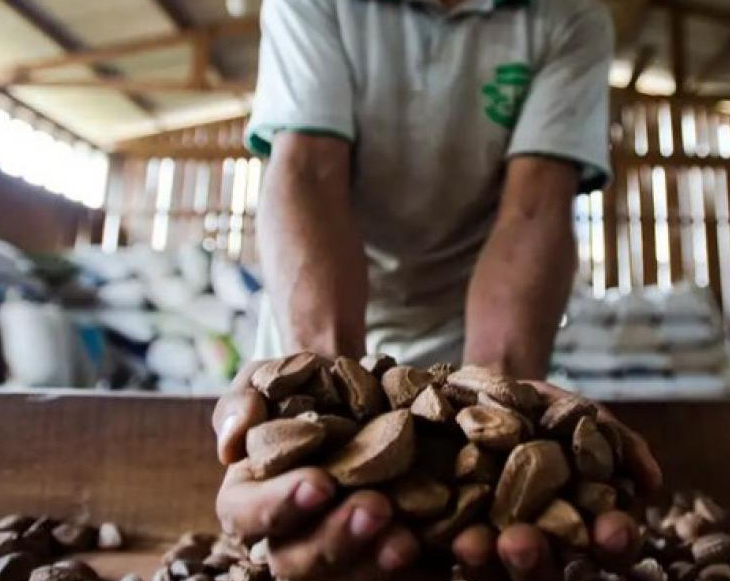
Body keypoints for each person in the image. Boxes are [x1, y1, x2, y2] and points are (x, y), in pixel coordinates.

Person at [213, 0, 662, 578]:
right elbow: (309, 172)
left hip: (467, 327)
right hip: (321, 317)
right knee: (310, 531)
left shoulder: (569, 17)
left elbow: (532, 211)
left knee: (480, 550)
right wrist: (322, 408)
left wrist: (501, 407)